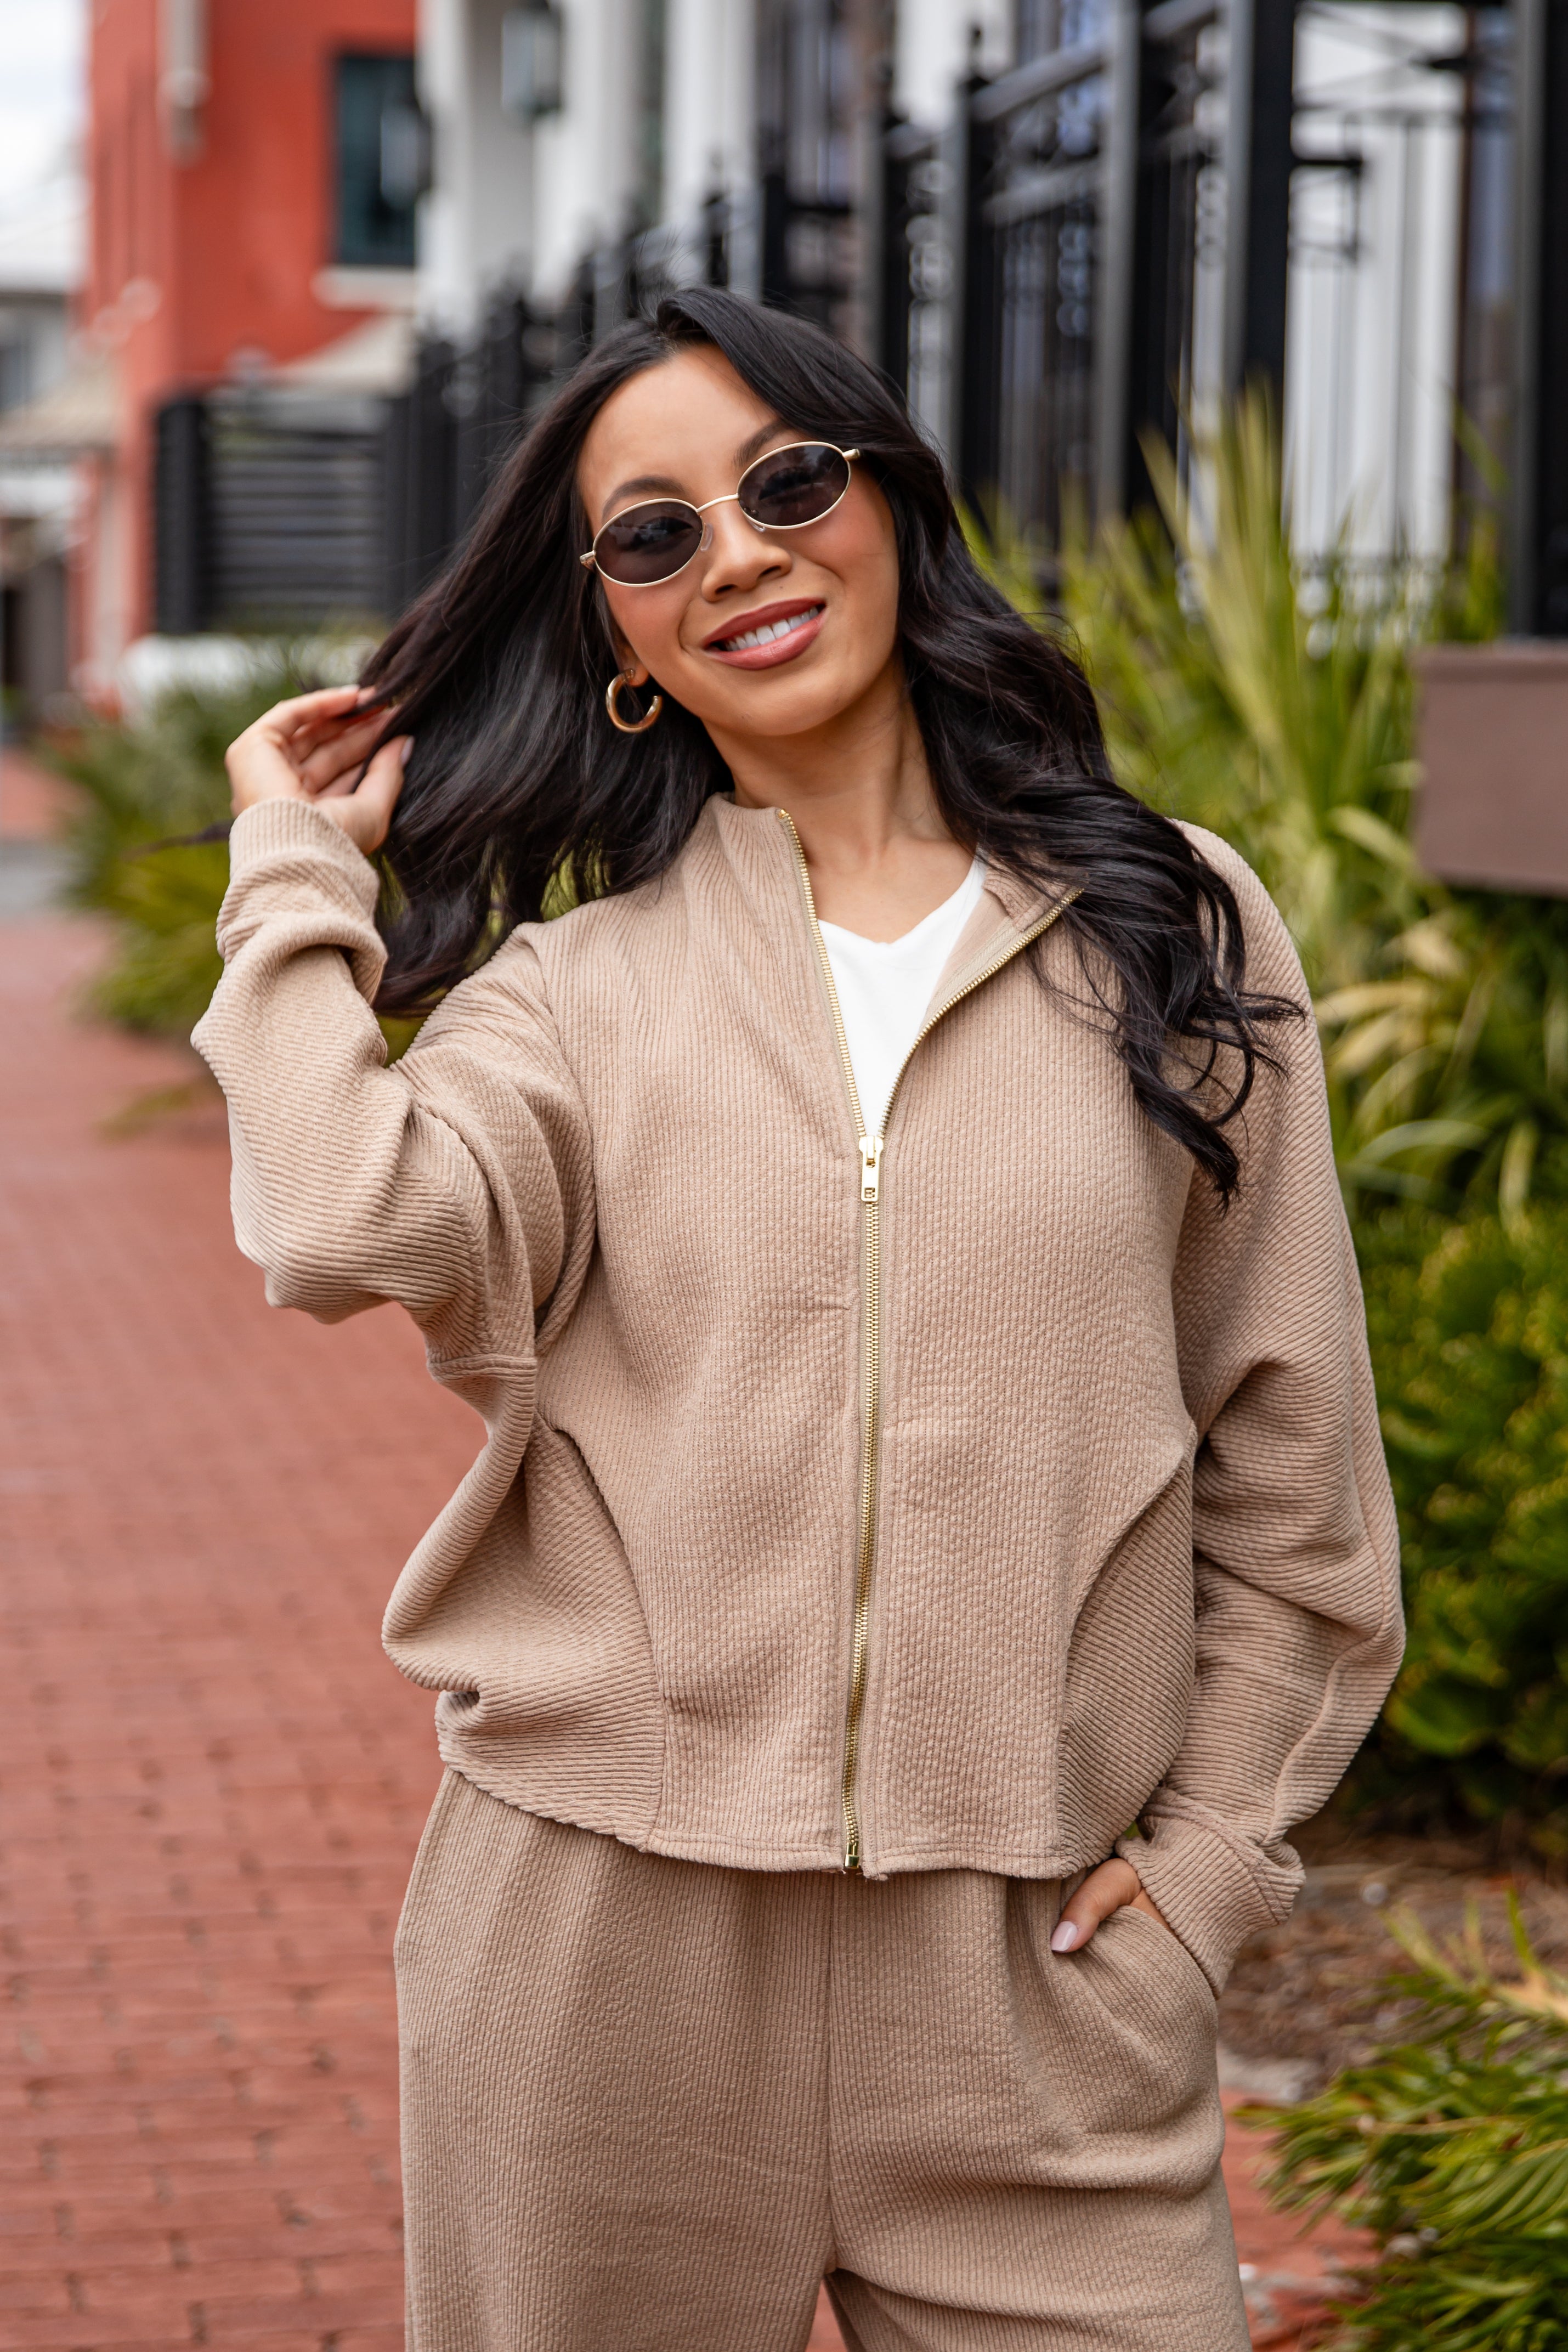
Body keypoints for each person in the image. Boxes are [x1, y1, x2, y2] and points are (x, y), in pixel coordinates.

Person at [197, 288, 1401, 2352]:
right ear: (616, 638)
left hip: (1028, 1997)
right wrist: (292, 864)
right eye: (652, 534)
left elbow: (1296, 1471)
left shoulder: (1163, 927)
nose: (735, 551)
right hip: (598, 1981)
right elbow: (329, 1219)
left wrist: (1206, 1872)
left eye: (782, 483)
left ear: (889, 508)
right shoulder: (568, 1007)